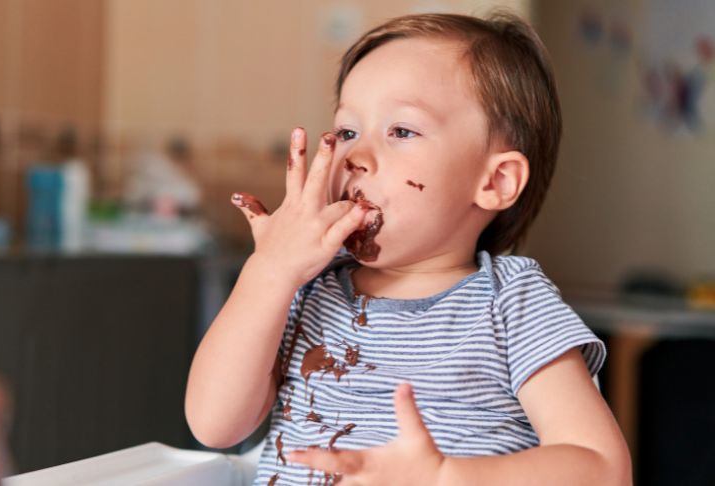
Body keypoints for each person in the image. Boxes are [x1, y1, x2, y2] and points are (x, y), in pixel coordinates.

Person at [185, 12, 632, 486]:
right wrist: (269, 273)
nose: (353, 156)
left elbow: (602, 467)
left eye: (401, 131)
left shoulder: (510, 303)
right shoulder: (307, 287)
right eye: (348, 132)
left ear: (495, 181)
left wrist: (445, 477)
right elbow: (215, 425)